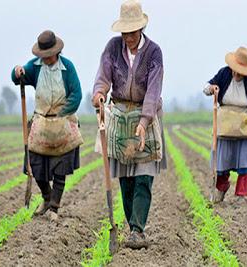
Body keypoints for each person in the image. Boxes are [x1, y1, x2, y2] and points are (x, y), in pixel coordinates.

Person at [92, 0, 166, 249]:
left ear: (141, 29)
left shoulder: (154, 52)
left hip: (147, 114)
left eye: (132, 32)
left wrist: (145, 121)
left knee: (144, 176)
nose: (128, 37)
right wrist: (99, 94)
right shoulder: (113, 48)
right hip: (121, 114)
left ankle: (137, 229)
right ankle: (130, 224)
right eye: (124, 33)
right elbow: (103, 76)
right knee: (126, 178)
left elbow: (154, 91)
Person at [12, 30, 82, 221]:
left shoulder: (67, 67)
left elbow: (76, 93)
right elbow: (19, 78)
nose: (47, 59)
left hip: (63, 121)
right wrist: (17, 71)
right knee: (35, 163)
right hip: (41, 121)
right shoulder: (35, 67)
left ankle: (54, 208)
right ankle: (46, 197)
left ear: (56, 52)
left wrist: (62, 113)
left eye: (49, 55)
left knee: (60, 168)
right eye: (43, 56)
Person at [204, 46, 247, 203]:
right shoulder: (224, 73)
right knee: (222, 160)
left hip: (244, 124)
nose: (236, 74)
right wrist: (212, 88)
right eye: (235, 70)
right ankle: (221, 188)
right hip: (225, 123)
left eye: (240, 72)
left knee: (244, 161)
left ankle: (241, 194)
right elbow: (206, 87)